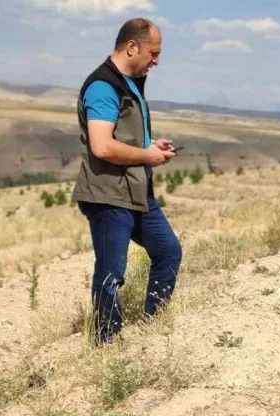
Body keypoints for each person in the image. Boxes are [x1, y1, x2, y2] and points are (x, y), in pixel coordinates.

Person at [72, 18, 181, 344]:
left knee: (168, 252)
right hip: (108, 194)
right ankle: (106, 341)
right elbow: (102, 145)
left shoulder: (130, 82)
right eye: (154, 52)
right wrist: (146, 156)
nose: (156, 61)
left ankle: (154, 327)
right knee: (111, 273)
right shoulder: (104, 86)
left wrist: (150, 147)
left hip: (136, 191)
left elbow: (125, 137)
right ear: (132, 46)